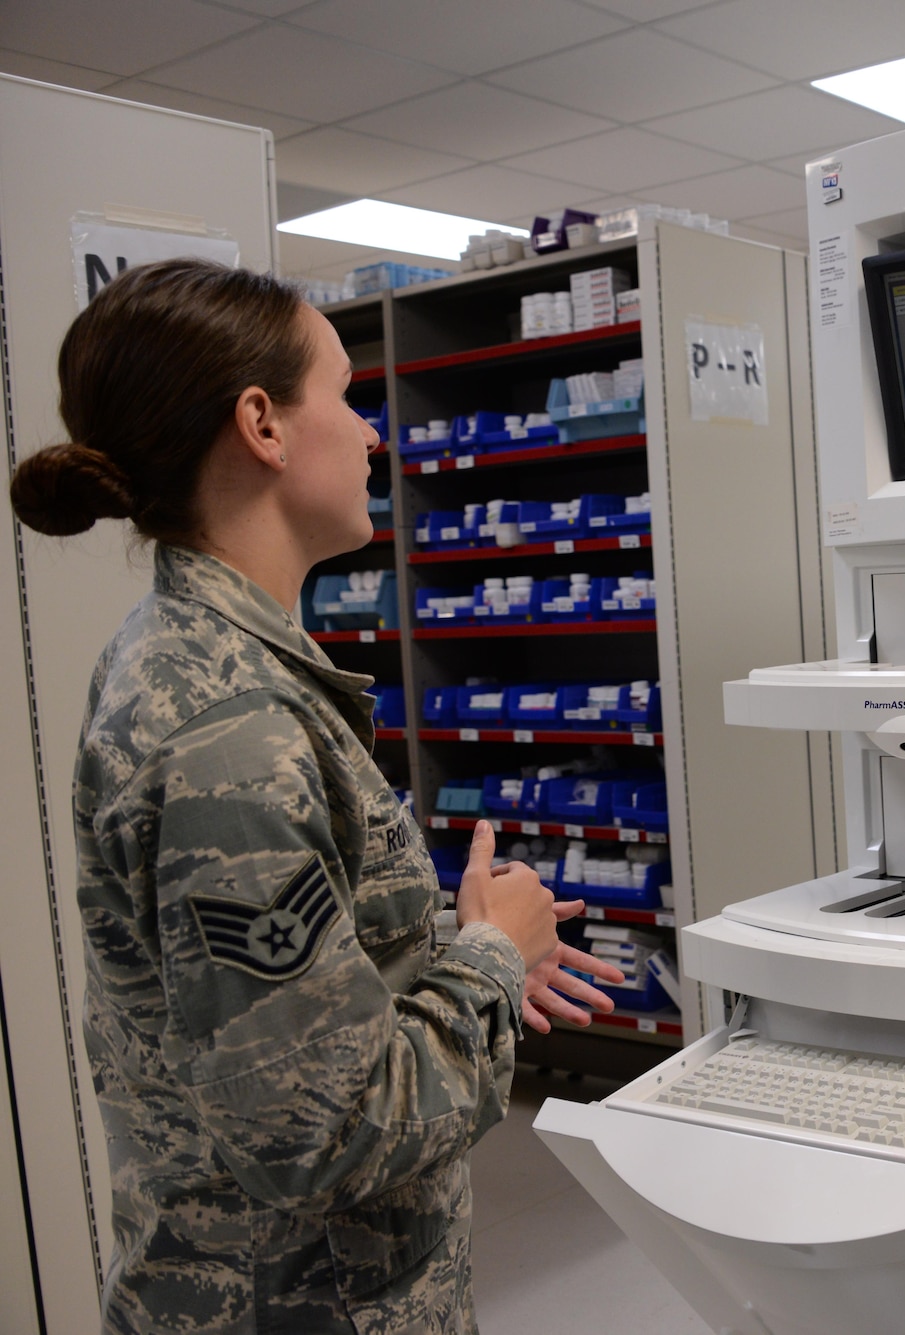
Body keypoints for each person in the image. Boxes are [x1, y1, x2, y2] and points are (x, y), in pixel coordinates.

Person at [8, 258, 625, 1333]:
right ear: (264, 424)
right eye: (344, 394)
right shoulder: (229, 734)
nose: (374, 432)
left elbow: (276, 993)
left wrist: (445, 945)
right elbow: (324, 1134)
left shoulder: (206, 658)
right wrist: (488, 959)